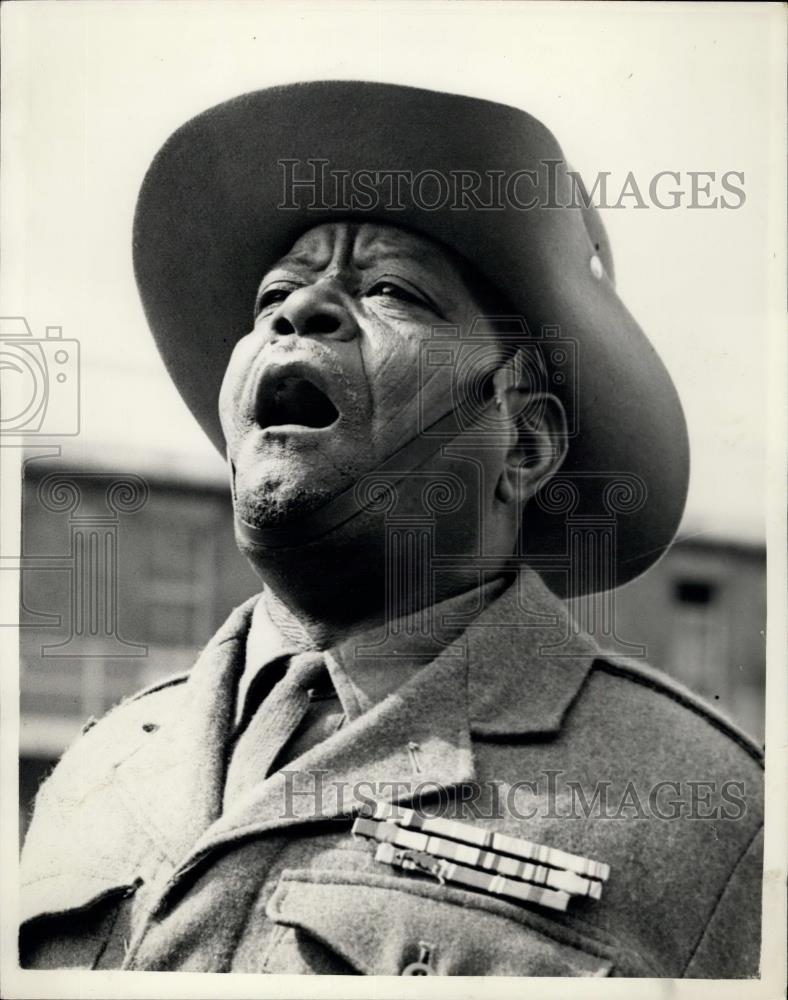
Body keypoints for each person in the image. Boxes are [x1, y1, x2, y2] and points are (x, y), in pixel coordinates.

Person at [19, 81, 763, 977]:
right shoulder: (101, 761)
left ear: (524, 441)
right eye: (275, 296)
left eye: (392, 291)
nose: (299, 312)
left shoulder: (717, 815)